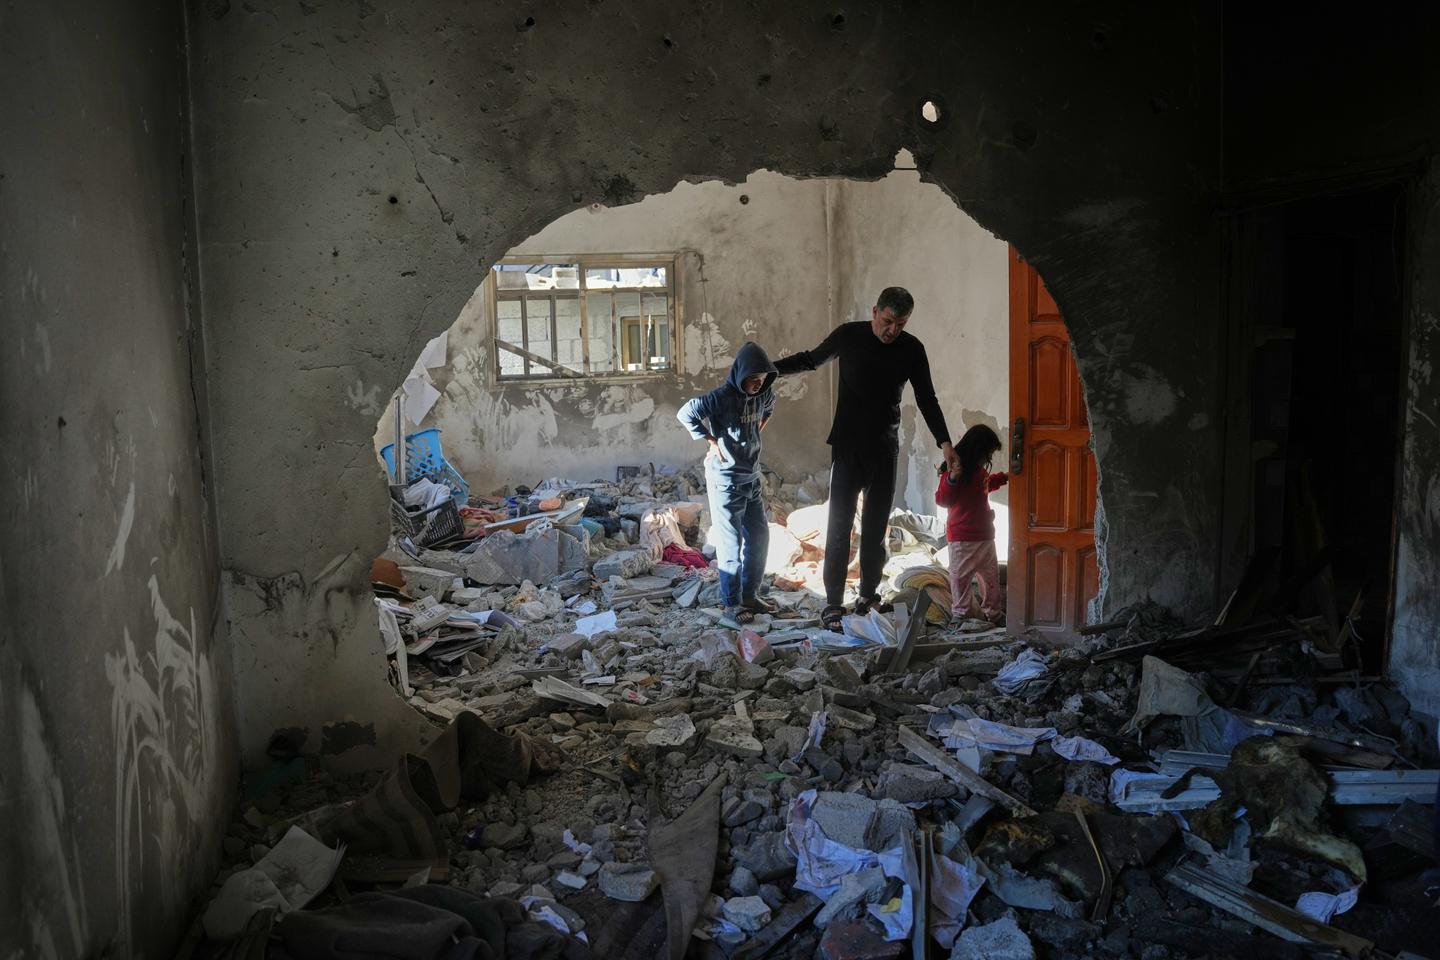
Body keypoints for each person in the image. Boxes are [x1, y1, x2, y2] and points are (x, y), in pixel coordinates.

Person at [774, 287, 960, 631]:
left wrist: (945, 442)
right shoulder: (849, 336)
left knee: (876, 530)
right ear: (875, 311)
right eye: (888, 321)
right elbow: (811, 359)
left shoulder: (911, 349)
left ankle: (868, 595)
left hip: (884, 451)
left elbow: (927, 398)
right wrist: (770, 370)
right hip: (847, 448)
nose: (893, 330)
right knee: (839, 526)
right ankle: (833, 603)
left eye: (900, 324)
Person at [676, 341, 779, 624]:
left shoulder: (764, 394)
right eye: (752, 379)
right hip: (726, 481)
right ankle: (732, 602)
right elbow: (686, 413)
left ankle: (750, 595)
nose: (758, 384)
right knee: (731, 544)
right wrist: (711, 440)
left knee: (759, 538)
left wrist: (753, 432)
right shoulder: (721, 397)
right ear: (740, 374)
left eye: (762, 379)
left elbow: (769, 408)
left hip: (751, 478)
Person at [935, 424, 1009, 626]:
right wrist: (952, 479)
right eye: (988, 454)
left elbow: (985, 486)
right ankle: (961, 614)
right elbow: (942, 500)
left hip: (985, 537)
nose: (989, 458)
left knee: (990, 579)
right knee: (960, 579)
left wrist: (1005, 477)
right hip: (961, 538)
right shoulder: (954, 472)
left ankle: (994, 613)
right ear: (977, 450)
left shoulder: (980, 473)